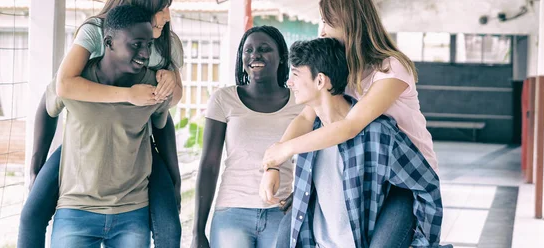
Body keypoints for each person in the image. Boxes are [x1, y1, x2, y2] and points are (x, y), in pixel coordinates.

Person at [18, 1, 182, 247]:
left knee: (169, 222)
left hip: (137, 140)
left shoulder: (165, 40)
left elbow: (167, 111)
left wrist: (169, 82)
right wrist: (36, 165)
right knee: (31, 214)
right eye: (163, 5)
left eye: (146, 45)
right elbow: (62, 88)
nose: (168, 13)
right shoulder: (96, 29)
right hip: (88, 132)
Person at [269, 38, 444, 248]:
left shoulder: (377, 133)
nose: (289, 82)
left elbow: (426, 186)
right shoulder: (308, 136)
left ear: (320, 81)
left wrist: (422, 244)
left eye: (295, 74)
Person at [262, 0, 439, 173]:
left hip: (410, 172)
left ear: (346, 23)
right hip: (374, 171)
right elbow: (306, 118)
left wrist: (287, 149)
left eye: (325, 22)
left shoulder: (391, 68)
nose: (322, 32)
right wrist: (273, 165)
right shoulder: (341, 69)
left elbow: (351, 126)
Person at [190, 26, 303, 248]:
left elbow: (316, 157)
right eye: (248, 50)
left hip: (280, 212)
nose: (254, 55)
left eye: (264, 49)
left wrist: (300, 194)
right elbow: (209, 166)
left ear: (282, 58)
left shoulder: (299, 102)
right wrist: (197, 231)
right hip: (232, 213)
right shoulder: (224, 99)